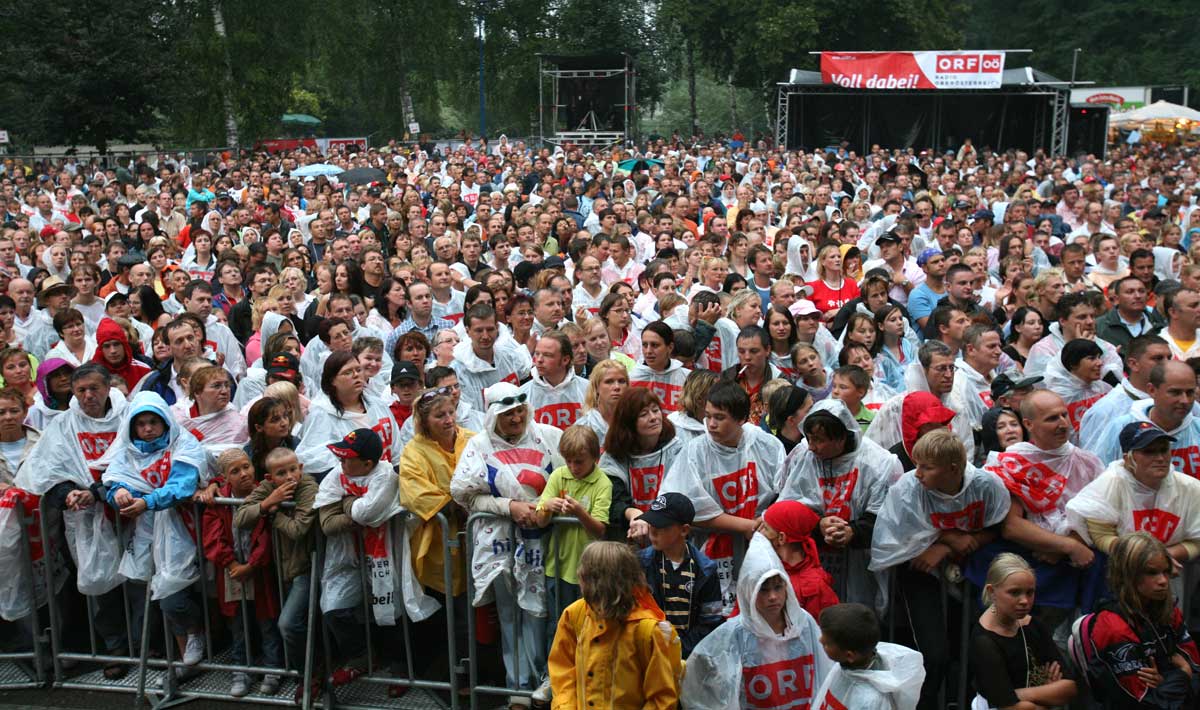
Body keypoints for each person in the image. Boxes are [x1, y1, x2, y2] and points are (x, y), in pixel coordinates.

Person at [870, 429, 1011, 710]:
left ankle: (963, 701)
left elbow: (999, 526)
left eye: (927, 467)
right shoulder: (908, 488)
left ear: (953, 469)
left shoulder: (985, 485)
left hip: (970, 574)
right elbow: (897, 536)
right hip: (920, 576)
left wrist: (948, 546)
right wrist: (947, 538)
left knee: (973, 646)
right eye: (917, 464)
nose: (917, 473)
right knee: (933, 654)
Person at [13, 364, 128, 677]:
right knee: (99, 587)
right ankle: (115, 648)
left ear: (108, 387)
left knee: (139, 585)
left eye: (94, 388)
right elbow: (47, 468)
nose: (89, 396)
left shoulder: (129, 416)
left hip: (131, 514)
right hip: (84, 520)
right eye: (81, 390)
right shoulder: (65, 424)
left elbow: (139, 461)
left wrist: (98, 491)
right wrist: (67, 494)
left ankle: (150, 648)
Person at [451, 380, 562, 699]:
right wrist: (508, 506)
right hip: (498, 543)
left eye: (520, 411)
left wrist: (542, 508)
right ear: (493, 416)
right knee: (510, 615)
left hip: (543, 541)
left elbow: (569, 480)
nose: (516, 418)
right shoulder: (479, 446)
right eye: (508, 413)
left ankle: (546, 683)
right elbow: (464, 495)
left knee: (540, 613)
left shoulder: (548, 437)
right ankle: (518, 686)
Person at [99, 391, 208, 674]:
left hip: (182, 529)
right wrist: (120, 493)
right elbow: (114, 481)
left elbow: (181, 485)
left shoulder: (183, 443)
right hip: (146, 533)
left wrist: (147, 501)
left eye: (153, 422)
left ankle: (197, 633)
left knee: (174, 596)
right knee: (157, 595)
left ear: (165, 422)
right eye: (141, 423)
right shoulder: (127, 451)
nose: (147, 429)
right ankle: (185, 660)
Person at [658, 381, 784, 613]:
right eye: (707, 416)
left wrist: (762, 522)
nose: (711, 424)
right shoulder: (695, 451)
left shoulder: (766, 445)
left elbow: (784, 492)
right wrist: (746, 525)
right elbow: (683, 506)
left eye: (720, 417)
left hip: (760, 543)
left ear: (741, 419)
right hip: (710, 551)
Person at [682, 532, 833, 710]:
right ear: (749, 592)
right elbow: (699, 682)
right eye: (763, 590)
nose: (773, 597)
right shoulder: (735, 634)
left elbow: (825, 673)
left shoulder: (804, 623)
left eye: (778, 587)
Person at [315, 428, 414, 685]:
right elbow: (327, 523)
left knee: (389, 612)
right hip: (345, 556)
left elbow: (366, 513)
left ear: (367, 463)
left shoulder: (386, 476)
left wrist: (346, 503)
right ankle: (360, 657)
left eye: (347, 458)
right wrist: (354, 510)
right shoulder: (337, 474)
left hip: (383, 552)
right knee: (334, 610)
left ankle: (399, 668)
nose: (341, 463)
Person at [780, 399, 898, 609]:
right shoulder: (804, 456)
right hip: (813, 558)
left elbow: (886, 519)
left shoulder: (878, 463)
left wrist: (853, 532)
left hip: (860, 562)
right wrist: (818, 525)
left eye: (819, 440)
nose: (812, 446)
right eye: (808, 438)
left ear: (842, 437)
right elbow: (785, 509)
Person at [546, 541, 682, 710]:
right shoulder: (575, 615)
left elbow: (662, 698)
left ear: (594, 581)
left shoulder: (646, 630)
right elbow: (562, 671)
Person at [1080, 532, 1200, 708]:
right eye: (1151, 573)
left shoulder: (1170, 612)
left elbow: (1196, 667)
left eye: (1166, 571)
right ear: (1127, 575)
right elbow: (1148, 703)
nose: (1163, 581)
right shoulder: (1114, 626)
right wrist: (1182, 673)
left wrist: (1165, 679)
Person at [398, 386, 470, 677]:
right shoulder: (413, 451)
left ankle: (469, 669)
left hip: (474, 541)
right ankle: (443, 672)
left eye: (450, 412)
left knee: (469, 611)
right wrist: (456, 503)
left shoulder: (472, 440)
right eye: (440, 415)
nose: (448, 419)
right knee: (443, 609)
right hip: (436, 544)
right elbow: (414, 493)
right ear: (425, 421)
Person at [201, 449, 284, 697]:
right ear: (224, 477)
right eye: (235, 471)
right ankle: (241, 670)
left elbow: (268, 535)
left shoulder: (265, 493)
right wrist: (230, 564)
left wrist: (253, 564)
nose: (244, 474)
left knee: (267, 622)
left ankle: (273, 668)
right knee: (237, 625)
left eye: (246, 466)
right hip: (231, 572)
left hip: (259, 570)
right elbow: (212, 536)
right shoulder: (219, 500)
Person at [1067, 421, 1200, 571]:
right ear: (1128, 458)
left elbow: (1197, 540)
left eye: (1164, 450)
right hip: (1122, 570)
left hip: (1176, 570)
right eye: (1149, 451)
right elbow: (1101, 535)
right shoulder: (1109, 484)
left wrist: (1163, 557)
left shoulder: (1190, 488)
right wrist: (1144, 557)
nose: (1160, 458)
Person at [235, 446, 318, 681]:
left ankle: (309, 673)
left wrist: (274, 514)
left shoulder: (308, 487)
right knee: (288, 623)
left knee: (289, 623)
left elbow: (298, 529)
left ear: (301, 468)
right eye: (281, 473)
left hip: (305, 566)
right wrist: (267, 503)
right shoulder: (269, 489)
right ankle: (305, 672)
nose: (289, 477)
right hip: (279, 568)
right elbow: (240, 517)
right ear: (270, 478)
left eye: (293, 470)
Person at [969, 553, 1077, 710]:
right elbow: (1012, 707)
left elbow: (1069, 688)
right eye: (1014, 592)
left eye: (1030, 592)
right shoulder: (984, 641)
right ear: (992, 592)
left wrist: (1018, 694)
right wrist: (1047, 694)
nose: (1024, 601)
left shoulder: (1033, 625)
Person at [536, 425, 611, 620]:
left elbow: (599, 530)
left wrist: (579, 512)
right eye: (568, 461)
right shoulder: (558, 475)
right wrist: (546, 507)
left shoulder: (603, 483)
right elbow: (540, 521)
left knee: (587, 625)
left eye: (579, 462)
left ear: (595, 458)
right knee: (557, 624)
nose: (573, 467)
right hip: (557, 567)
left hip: (588, 570)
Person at [636, 493, 722, 659]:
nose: (653, 531)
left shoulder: (705, 570)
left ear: (684, 530)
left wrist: (679, 649)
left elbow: (710, 621)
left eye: (662, 526)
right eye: (651, 523)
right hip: (648, 652)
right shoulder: (640, 563)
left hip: (688, 656)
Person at [295, 351, 401, 479]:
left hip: (388, 479)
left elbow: (396, 449)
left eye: (358, 369)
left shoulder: (378, 405)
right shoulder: (322, 413)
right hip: (347, 487)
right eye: (348, 372)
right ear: (332, 380)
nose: (356, 375)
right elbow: (314, 460)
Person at [1092, 361, 1200, 478]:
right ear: (1152, 390)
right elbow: (1098, 478)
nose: (1185, 400)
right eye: (1175, 392)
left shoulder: (1197, 429)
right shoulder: (1120, 428)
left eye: (1190, 393)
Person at [600, 387, 683, 536]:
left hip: (668, 533)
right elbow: (612, 499)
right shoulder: (613, 457)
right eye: (644, 414)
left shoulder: (676, 449)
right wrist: (633, 514)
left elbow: (681, 494)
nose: (653, 417)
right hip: (627, 536)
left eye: (656, 410)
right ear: (628, 423)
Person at [815, 603, 926, 710]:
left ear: (849, 655)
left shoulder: (871, 701)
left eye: (827, 644)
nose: (820, 640)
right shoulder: (845, 665)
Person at [1080, 335, 1171, 452]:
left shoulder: (1182, 400)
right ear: (1133, 364)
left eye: (1169, 358)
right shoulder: (1105, 410)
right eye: (1158, 358)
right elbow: (1093, 463)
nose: (1167, 364)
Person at [758, 499, 840, 620]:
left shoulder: (814, 587)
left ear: (781, 538)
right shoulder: (762, 568)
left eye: (765, 528)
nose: (759, 532)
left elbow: (822, 633)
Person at [1042, 338, 1113, 439]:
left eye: (1099, 357)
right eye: (1092, 358)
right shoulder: (1057, 396)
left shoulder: (1104, 388)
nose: (1100, 363)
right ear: (1073, 364)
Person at [520, 330, 588, 430]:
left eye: (547, 355)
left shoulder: (588, 390)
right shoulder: (522, 394)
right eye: (537, 353)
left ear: (565, 360)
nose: (539, 360)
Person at [629, 322, 688, 412]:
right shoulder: (631, 377)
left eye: (655, 345)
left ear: (670, 347)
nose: (648, 351)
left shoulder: (687, 378)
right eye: (645, 345)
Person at [91, 317, 152, 392]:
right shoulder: (91, 375)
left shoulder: (144, 371)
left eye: (116, 344)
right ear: (100, 350)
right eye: (107, 346)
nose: (113, 351)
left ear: (125, 345)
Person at [575, 359, 627, 445]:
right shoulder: (585, 425)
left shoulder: (637, 422)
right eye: (609, 382)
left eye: (621, 381)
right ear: (596, 387)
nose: (617, 387)